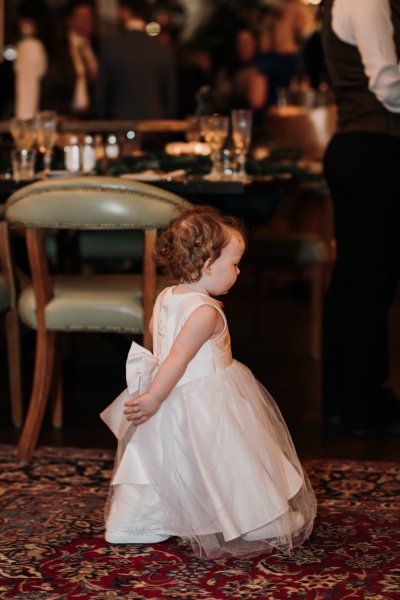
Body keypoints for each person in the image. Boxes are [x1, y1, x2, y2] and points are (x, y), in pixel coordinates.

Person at [101, 206, 317, 560]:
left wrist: (157, 395)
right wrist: (154, 397)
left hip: (171, 393)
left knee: (163, 457)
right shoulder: (206, 312)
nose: (238, 271)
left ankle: (141, 520)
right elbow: (177, 359)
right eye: (234, 264)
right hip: (205, 397)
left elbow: (159, 346)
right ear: (207, 266)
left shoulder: (166, 296)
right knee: (226, 457)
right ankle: (257, 521)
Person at [321, 0, 400, 435]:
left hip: (356, 146)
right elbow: (388, 85)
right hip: (375, 150)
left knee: (353, 281)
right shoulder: (367, 0)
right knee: (370, 282)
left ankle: (343, 400)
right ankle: (364, 405)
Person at [95, 0, 177, 120]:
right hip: (155, 123)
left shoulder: (111, 47)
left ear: (125, 11)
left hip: (120, 124)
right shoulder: (162, 48)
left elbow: (101, 95)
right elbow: (170, 96)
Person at [41, 0, 98, 117]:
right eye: (82, 17)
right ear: (69, 20)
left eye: (89, 17)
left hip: (90, 117)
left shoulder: (97, 47)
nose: (87, 22)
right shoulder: (57, 48)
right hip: (63, 115)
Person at [13, 0, 54, 119]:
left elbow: (26, 106)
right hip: (42, 124)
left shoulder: (30, 46)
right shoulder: (32, 46)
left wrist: (26, 128)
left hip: (38, 125)